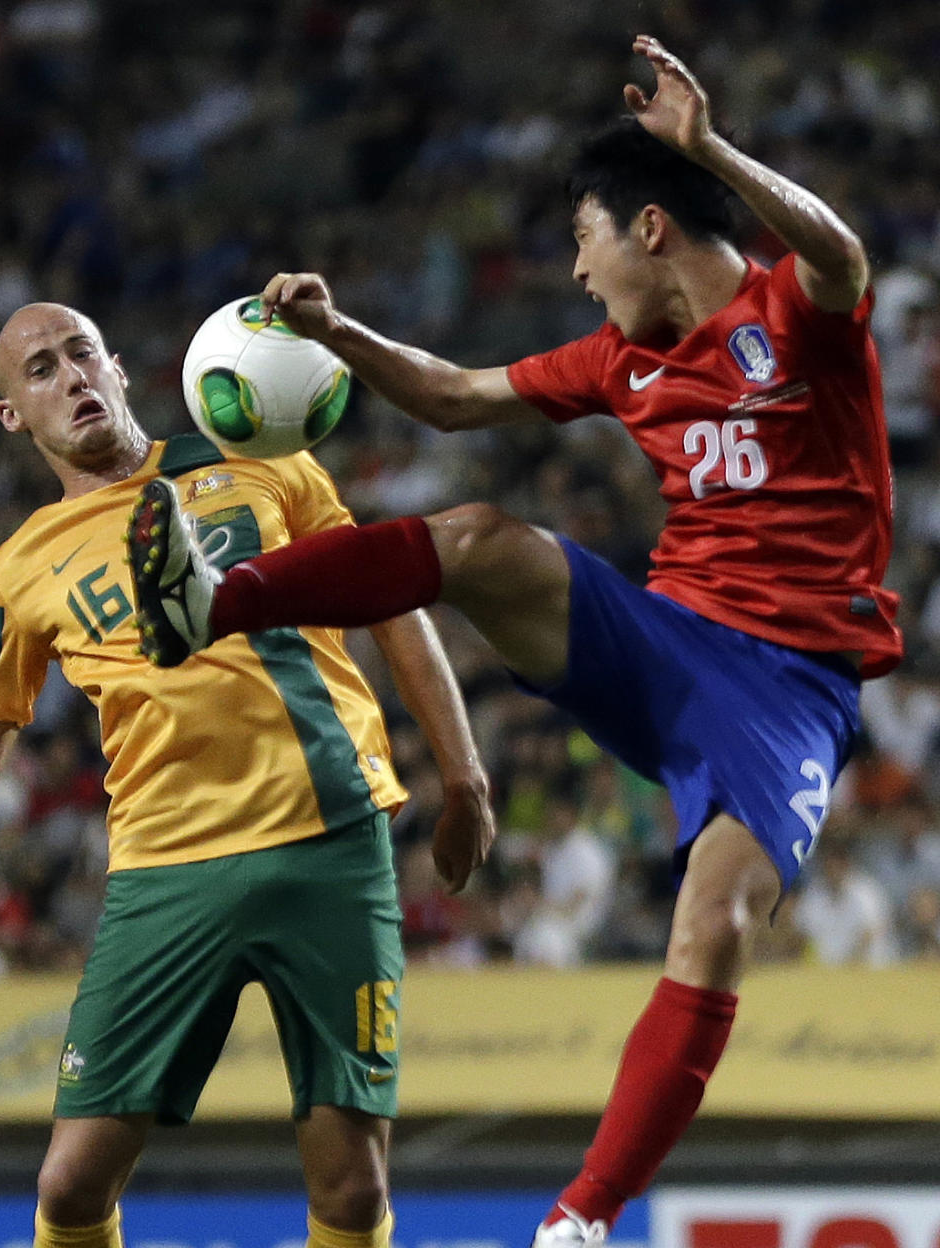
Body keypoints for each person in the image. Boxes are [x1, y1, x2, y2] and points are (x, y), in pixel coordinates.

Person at [128, 34, 902, 1248]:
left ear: (650, 227)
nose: (579, 275)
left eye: (585, 241)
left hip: (792, 688)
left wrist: (707, 149)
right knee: (481, 533)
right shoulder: (619, 361)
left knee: (714, 920)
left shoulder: (789, 318)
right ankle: (209, 602)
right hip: (663, 639)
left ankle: (579, 1222)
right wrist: (341, 335)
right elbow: (449, 397)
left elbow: (843, 255)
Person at [0, 301, 495, 1248]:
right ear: (14, 415)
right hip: (166, 874)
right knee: (68, 1190)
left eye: (83, 354)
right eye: (42, 371)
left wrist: (465, 776)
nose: (73, 379)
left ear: (122, 367)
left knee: (350, 1191)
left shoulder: (257, 456)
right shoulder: (15, 573)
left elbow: (392, 591)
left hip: (330, 843)